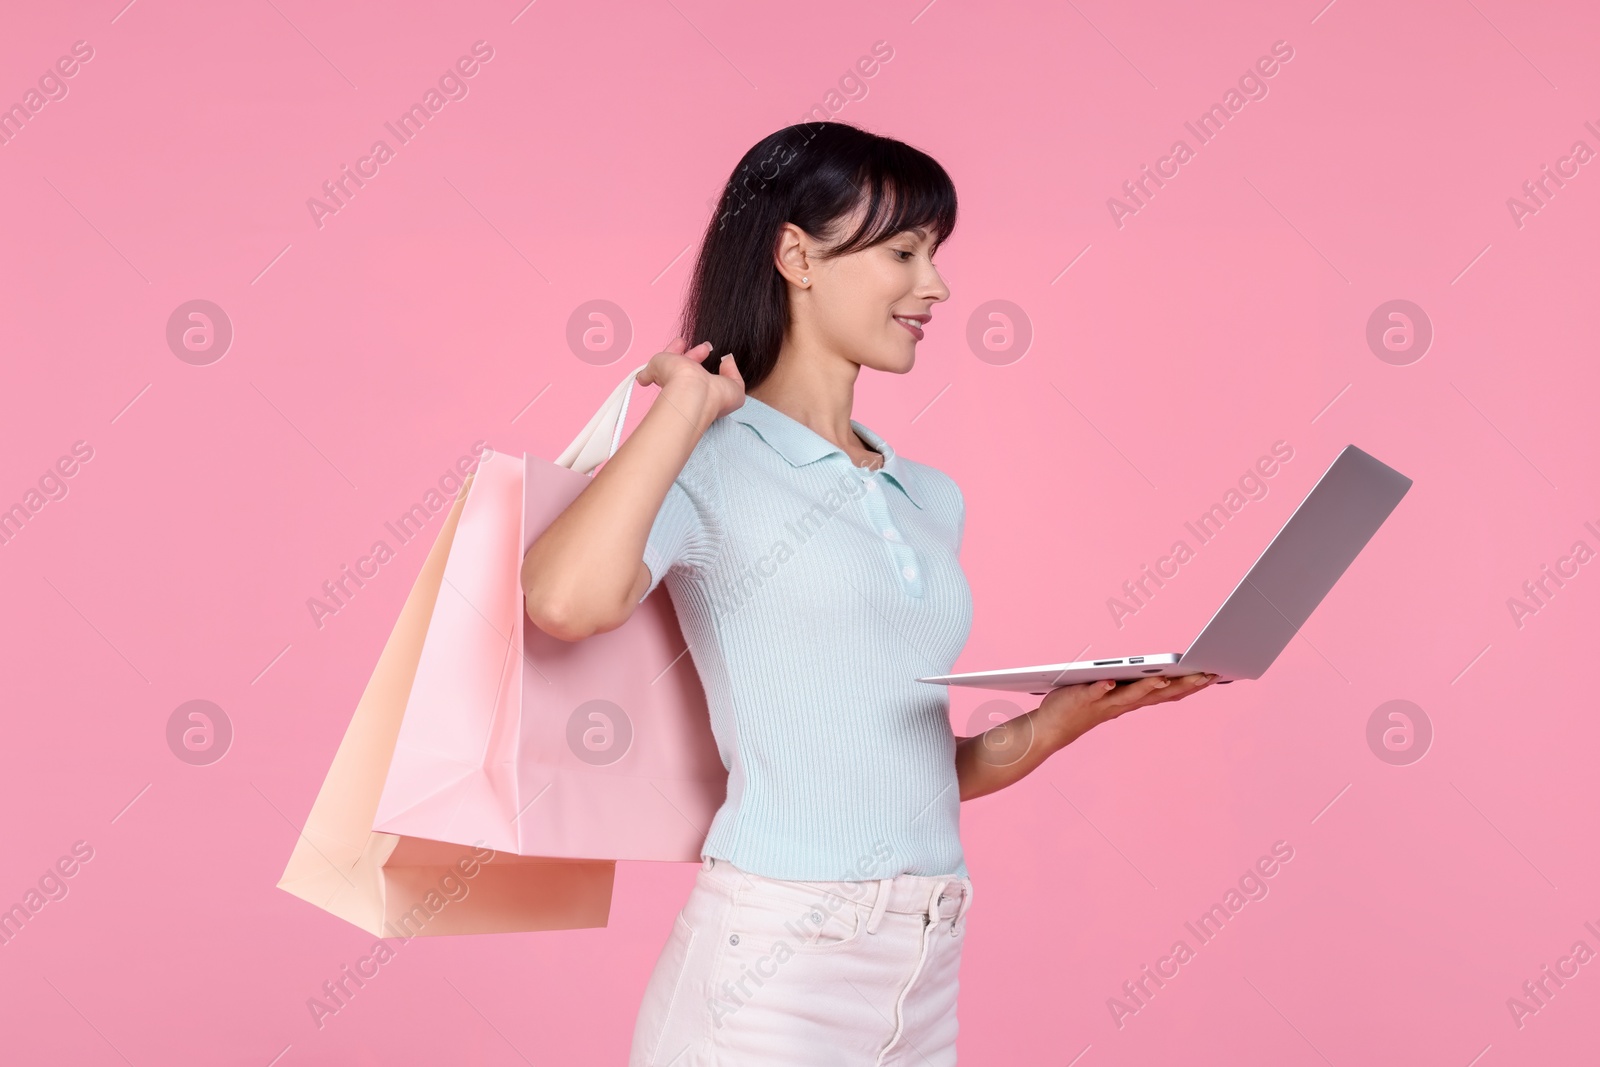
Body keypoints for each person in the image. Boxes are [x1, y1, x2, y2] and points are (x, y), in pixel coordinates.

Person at [520, 121, 1218, 1066]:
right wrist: (682, 407)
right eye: (903, 250)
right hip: (771, 968)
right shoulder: (707, 461)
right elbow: (563, 600)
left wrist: (1058, 724)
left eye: (934, 253)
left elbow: (890, 771)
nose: (934, 286)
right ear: (796, 255)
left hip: (924, 962)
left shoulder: (927, 496)